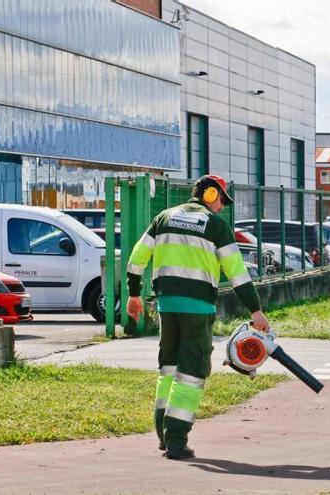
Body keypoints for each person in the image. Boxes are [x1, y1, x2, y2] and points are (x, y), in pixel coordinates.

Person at [125, 174, 269, 460]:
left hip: (167, 306)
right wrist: (255, 310)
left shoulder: (163, 218)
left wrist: (133, 294)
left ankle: (163, 435)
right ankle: (176, 440)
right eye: (221, 201)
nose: (221, 208)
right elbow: (238, 274)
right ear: (211, 195)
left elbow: (137, 257)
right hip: (198, 309)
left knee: (168, 366)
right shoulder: (216, 226)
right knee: (192, 372)